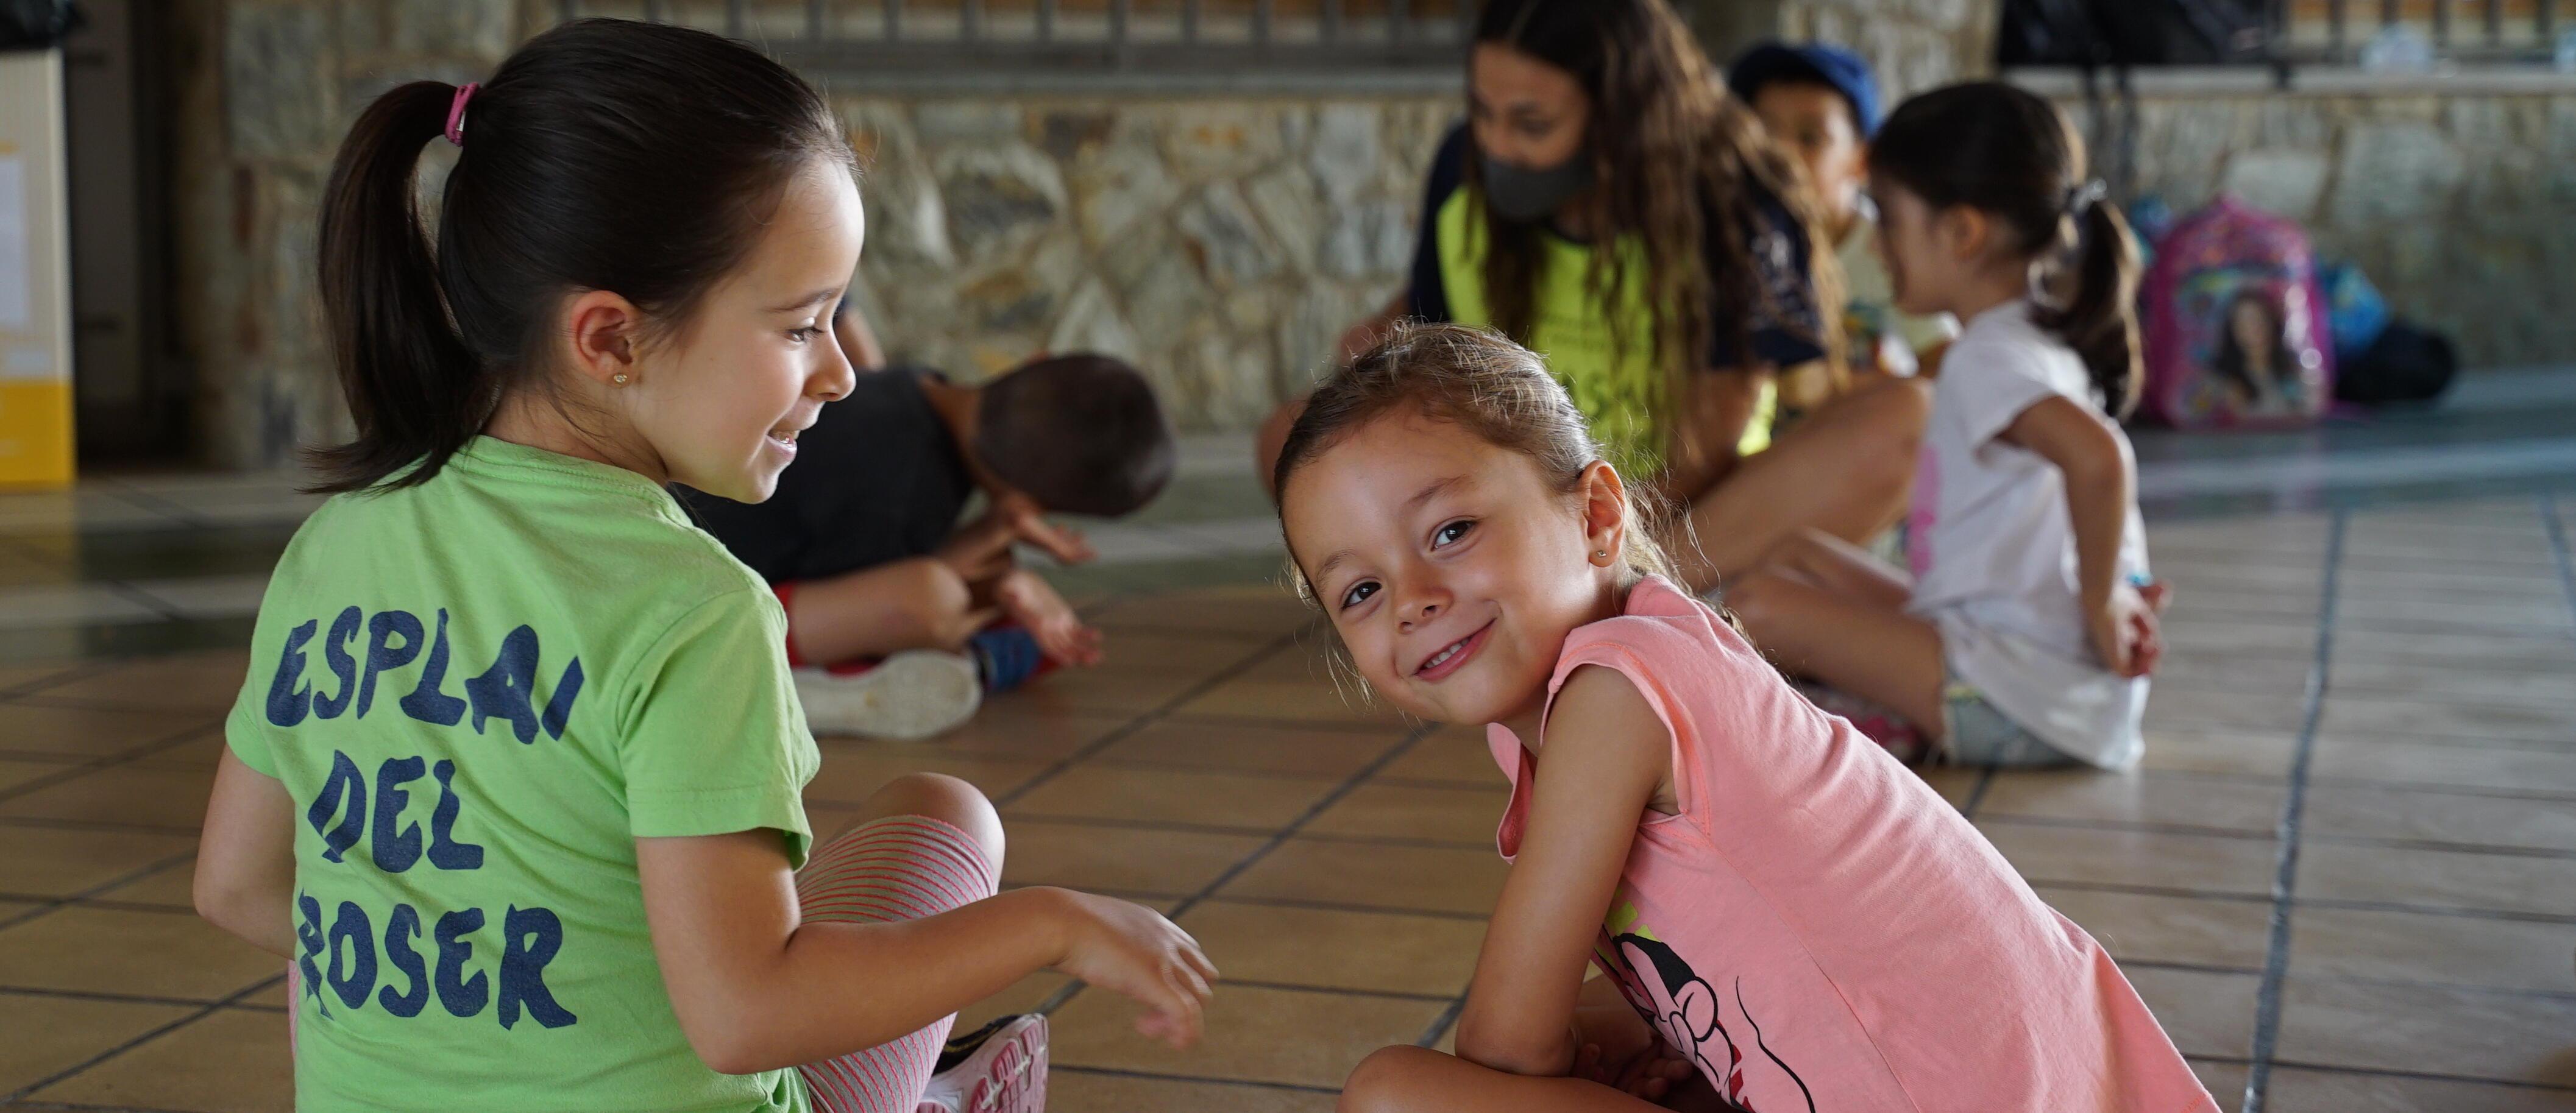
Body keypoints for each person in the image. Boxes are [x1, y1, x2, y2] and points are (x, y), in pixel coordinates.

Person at [191, 20, 1213, 1113]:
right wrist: (1049, 921)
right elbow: (744, 1018)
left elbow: (239, 887)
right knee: (949, 813)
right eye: (801, 325)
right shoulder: (694, 610)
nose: (838, 375)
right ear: (611, 341)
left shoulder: (335, 544)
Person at [1277, 323, 2216, 1113]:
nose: (1412, 600)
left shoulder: (1616, 691)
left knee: (1398, 1091)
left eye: (1450, 531)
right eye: (1360, 589)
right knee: (1606, 1030)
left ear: (1597, 515)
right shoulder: (1636, 662)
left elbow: (1508, 1044)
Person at [1255, 0, 1931, 590]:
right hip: (1520, 506)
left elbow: (1711, 444)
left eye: (1532, 123)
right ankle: (1576, 603)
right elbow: (1437, 379)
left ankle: (1626, 599)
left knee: (1906, 421)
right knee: (1291, 439)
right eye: (1484, 112)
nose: (1496, 144)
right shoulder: (1464, 175)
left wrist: (1600, 544)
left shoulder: (1736, 200)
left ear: (1623, 119)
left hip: (1692, 519)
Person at [1728, 82, 2166, 770]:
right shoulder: (2028, 340)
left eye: (1890, 221)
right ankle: (1874, 706)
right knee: (1798, 556)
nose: (1877, 246)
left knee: (1758, 605)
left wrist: (2104, 596)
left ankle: (1877, 720)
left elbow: (2100, 459)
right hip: (2015, 671)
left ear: (1962, 233)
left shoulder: (1988, 357)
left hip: (2016, 701)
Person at [677, 351, 1175, 741]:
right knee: (934, 602)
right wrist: (1000, 573)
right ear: (1029, 502)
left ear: (1033, 361)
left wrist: (999, 554)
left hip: (688, 572)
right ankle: (802, 690)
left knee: (998, 602)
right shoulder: (904, 494)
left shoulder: (911, 384)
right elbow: (894, 592)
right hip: (691, 621)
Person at [1726, 41, 1957, 399]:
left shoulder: (1890, 252)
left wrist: (1836, 388)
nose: (1780, 154)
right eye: (1762, 134)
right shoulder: (1726, 246)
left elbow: (1948, 368)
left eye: (1810, 138)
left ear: (1862, 161)